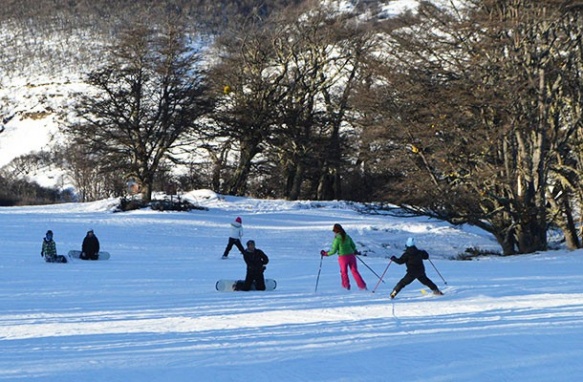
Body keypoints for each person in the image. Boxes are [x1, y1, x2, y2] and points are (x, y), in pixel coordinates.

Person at [321, 223, 367, 291]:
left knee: (344, 272)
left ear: (335, 231)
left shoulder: (337, 239)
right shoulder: (347, 236)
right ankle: (362, 286)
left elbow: (333, 251)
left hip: (343, 257)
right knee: (355, 271)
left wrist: (326, 254)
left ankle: (346, 286)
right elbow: (353, 245)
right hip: (351, 256)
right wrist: (354, 251)